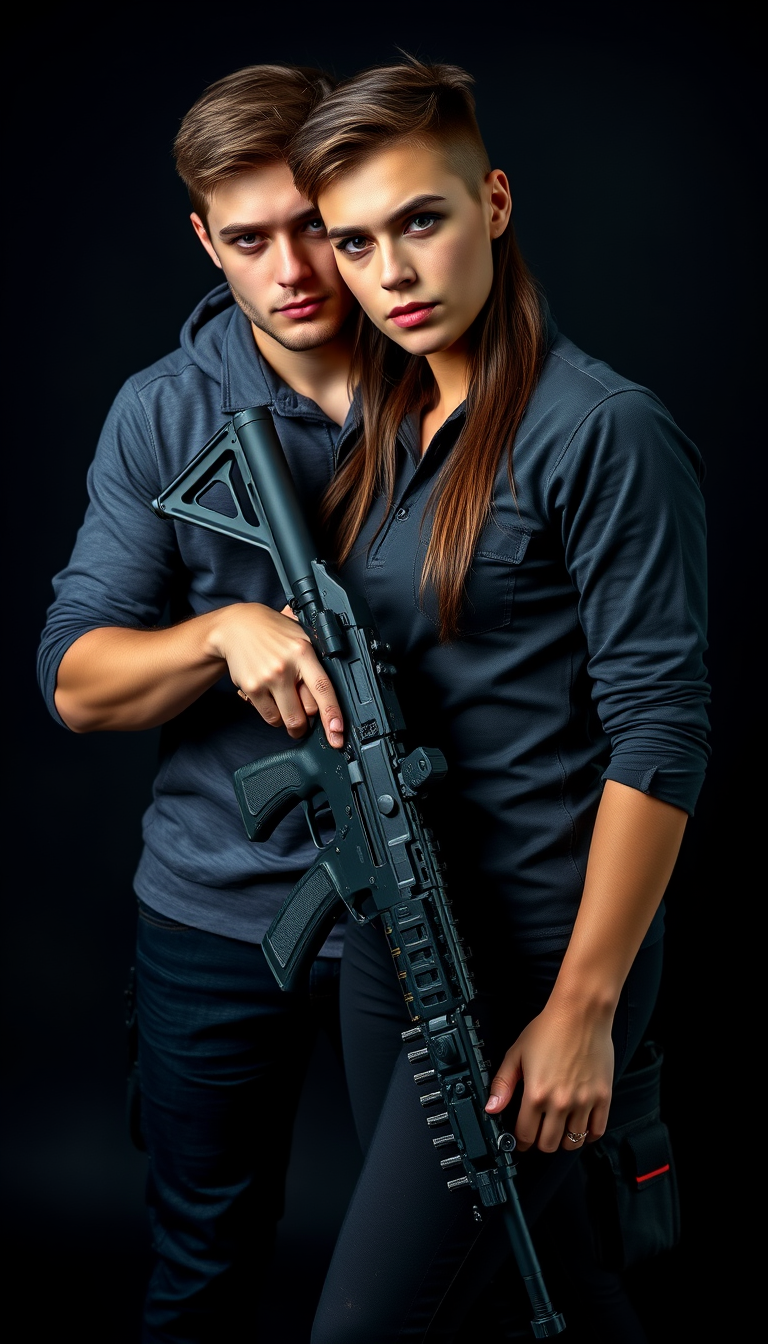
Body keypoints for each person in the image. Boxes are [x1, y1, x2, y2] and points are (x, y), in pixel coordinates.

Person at [275, 59, 707, 1342]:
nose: (390, 272)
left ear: (496, 202)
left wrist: (585, 1013)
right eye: (354, 242)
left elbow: (663, 731)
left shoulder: (604, 430)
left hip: (534, 963)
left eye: (421, 220)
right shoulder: (392, 432)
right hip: (394, 943)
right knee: (545, 1289)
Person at [36, 64, 359, 1343]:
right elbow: (76, 682)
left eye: (314, 226)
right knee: (203, 1270)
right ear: (201, 239)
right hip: (219, 910)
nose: (292, 271)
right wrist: (222, 632)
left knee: (458, 1264)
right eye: (247, 239)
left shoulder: (457, 378)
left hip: (444, 907)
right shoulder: (165, 413)